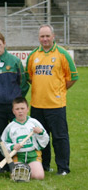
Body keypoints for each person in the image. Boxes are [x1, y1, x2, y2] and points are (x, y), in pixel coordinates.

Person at [26, 24, 78, 175]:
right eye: (42, 36)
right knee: (41, 137)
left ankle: (63, 168)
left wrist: (60, 90)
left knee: (59, 137)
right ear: (38, 38)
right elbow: (29, 77)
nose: (45, 39)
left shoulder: (62, 53)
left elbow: (73, 77)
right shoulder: (33, 55)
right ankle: (45, 165)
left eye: (48, 36)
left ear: (53, 36)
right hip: (37, 105)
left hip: (56, 105)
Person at [0, 31, 29, 142]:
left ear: (4, 43)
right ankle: (4, 158)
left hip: (14, 105)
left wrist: (18, 98)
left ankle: (18, 158)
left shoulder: (15, 61)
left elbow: (22, 82)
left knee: (18, 133)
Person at [2, 97, 49, 180]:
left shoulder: (34, 123)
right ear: (13, 111)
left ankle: (31, 169)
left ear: (27, 109)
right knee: (18, 177)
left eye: (22, 108)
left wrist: (41, 133)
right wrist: (12, 146)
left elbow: (45, 140)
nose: (20, 111)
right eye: (17, 109)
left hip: (33, 155)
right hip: (18, 156)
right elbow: (3, 145)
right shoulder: (10, 127)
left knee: (39, 176)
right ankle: (25, 169)